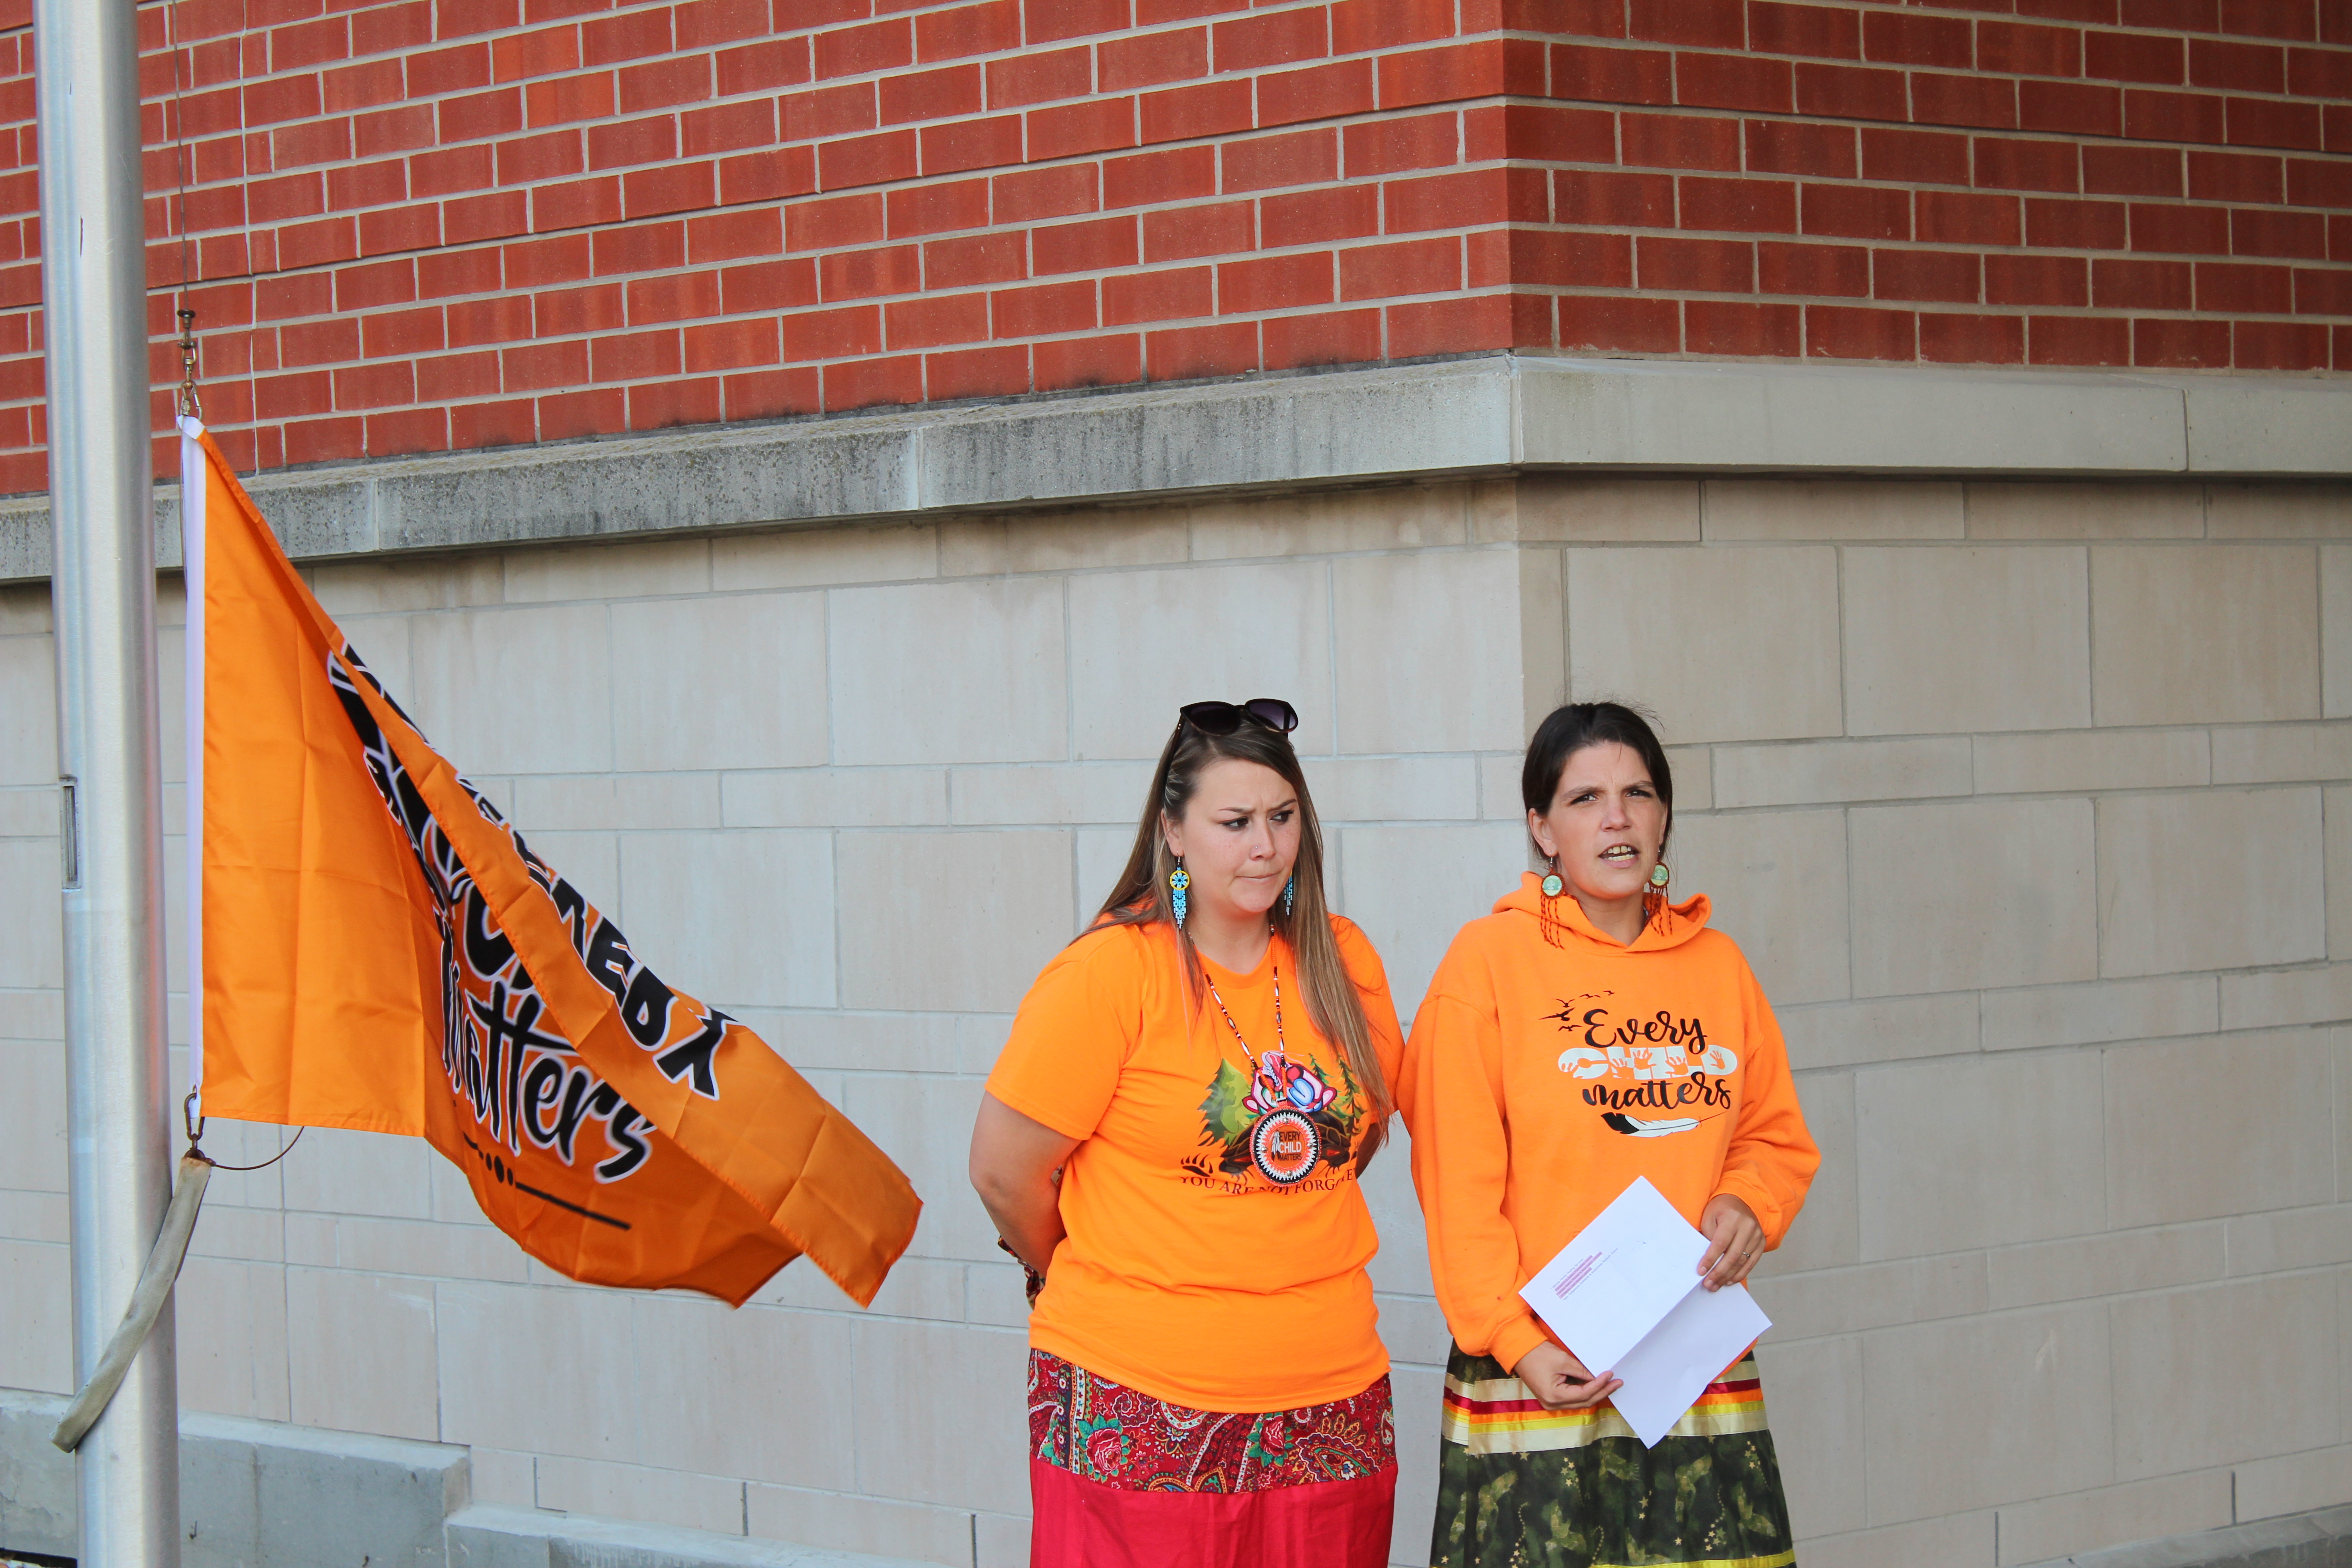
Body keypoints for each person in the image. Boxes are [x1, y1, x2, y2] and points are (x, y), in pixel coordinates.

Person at [969, 698, 1404, 1568]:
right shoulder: (1111, 972)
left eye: (1283, 819)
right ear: (1173, 830)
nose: (1265, 846)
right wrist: (1093, 1264)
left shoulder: (1341, 958)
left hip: (1332, 1401)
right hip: (1139, 1400)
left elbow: (1354, 1141)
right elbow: (1002, 1174)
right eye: (1234, 821)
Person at [1401, 701, 1819, 1568]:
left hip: (1689, 1368)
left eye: (1638, 793)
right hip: (1540, 1368)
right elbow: (1458, 1184)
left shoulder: (1719, 966)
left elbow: (1772, 1135)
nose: (1617, 817)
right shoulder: (1485, 965)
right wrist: (1516, 1342)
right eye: (1585, 798)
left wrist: (1749, 1201)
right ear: (1541, 829)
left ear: (1665, 816)